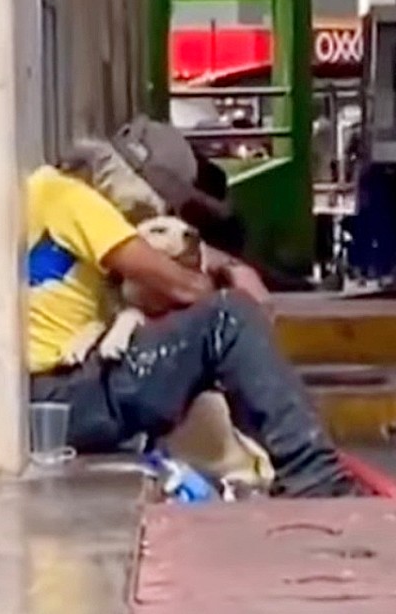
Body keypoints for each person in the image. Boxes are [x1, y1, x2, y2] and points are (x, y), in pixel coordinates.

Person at [26, 149, 364, 498]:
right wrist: (221, 287)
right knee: (228, 317)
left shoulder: (34, 198)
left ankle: (269, 461)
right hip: (69, 393)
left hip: (44, 405)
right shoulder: (68, 196)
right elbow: (183, 286)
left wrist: (227, 265)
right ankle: (316, 478)